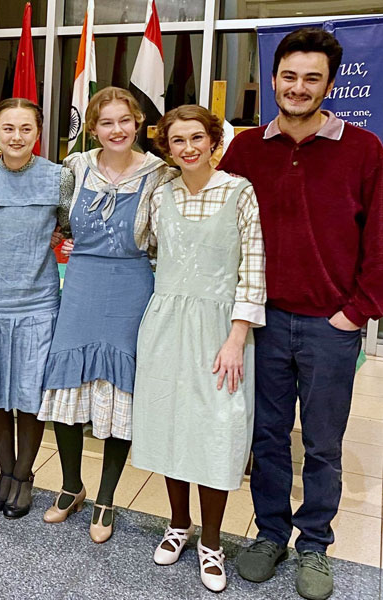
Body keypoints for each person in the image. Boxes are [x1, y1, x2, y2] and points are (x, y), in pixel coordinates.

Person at [218, 28, 383, 600]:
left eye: (312, 78)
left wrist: (355, 313)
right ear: (273, 79)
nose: (298, 87)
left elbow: (380, 241)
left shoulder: (363, 148)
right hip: (261, 321)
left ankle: (314, 543)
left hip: (329, 326)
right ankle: (270, 533)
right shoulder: (243, 149)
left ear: (330, 84)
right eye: (289, 76)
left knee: (322, 442)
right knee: (264, 436)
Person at [131, 105, 265, 592]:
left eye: (196, 138)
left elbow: (254, 268)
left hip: (219, 328)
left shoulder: (238, 191)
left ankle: (212, 541)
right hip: (165, 322)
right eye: (177, 141)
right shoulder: (160, 195)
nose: (188, 148)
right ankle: (178, 524)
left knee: (216, 429)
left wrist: (237, 336)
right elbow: (147, 249)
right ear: (166, 147)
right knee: (171, 425)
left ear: (214, 141)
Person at [38, 87, 176, 541]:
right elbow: (53, 214)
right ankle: (71, 485)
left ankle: (107, 497)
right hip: (80, 285)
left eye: (125, 120)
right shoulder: (75, 168)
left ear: (138, 123)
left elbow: (167, 236)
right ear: (92, 128)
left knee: (122, 393)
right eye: (106, 122)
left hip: (133, 287)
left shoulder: (160, 174)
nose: (116, 130)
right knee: (67, 387)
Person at [0, 98, 73, 519]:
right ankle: (5, 472)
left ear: (38, 133)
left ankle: (25, 476)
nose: (16, 137)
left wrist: (59, 239)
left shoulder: (59, 177)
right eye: (8, 129)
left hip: (38, 303)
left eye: (26, 129)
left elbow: (66, 225)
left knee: (29, 396)